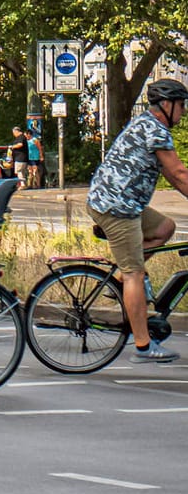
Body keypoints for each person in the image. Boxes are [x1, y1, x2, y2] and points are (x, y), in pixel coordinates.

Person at [86, 77, 188, 363]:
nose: (183, 111)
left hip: (119, 202)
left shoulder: (147, 123)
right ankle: (143, 346)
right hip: (117, 207)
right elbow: (179, 174)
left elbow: (174, 174)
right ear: (165, 105)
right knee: (136, 274)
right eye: (181, 105)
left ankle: (120, 281)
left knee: (165, 228)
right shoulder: (155, 130)